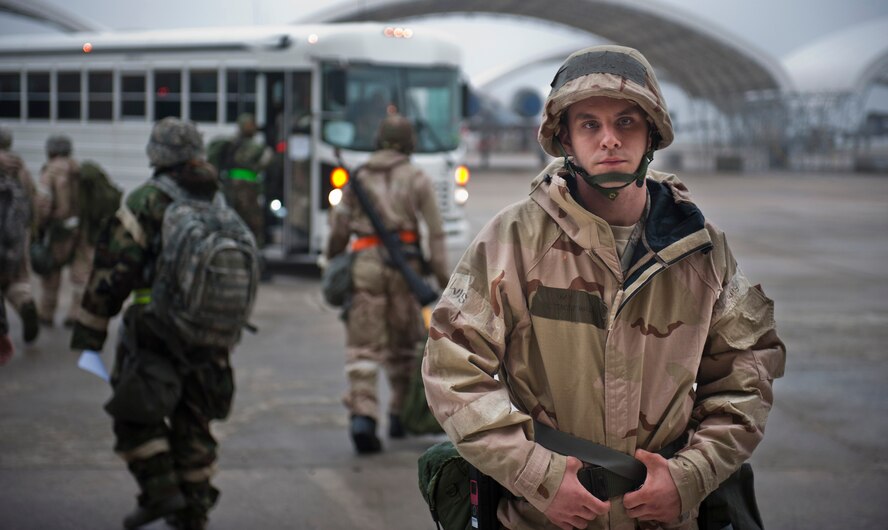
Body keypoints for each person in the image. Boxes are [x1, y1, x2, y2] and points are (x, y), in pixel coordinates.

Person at [422, 45, 786, 530]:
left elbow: (747, 370)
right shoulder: (513, 241)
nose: (610, 139)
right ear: (566, 139)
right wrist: (539, 478)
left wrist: (689, 477)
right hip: (543, 517)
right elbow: (453, 371)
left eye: (627, 122)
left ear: (652, 133)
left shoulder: (700, 248)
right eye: (590, 124)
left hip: (665, 517)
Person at [71, 118, 239, 530]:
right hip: (211, 332)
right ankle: (194, 510)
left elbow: (113, 270)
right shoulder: (217, 200)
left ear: (156, 153)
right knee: (194, 422)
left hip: (156, 329)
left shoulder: (146, 200)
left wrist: (90, 331)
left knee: (133, 412)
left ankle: (161, 489)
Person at [326, 114, 450, 454]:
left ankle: (363, 416)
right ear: (409, 143)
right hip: (405, 267)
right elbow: (436, 236)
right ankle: (397, 413)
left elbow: (339, 227)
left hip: (365, 265)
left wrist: (333, 255)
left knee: (363, 347)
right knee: (404, 343)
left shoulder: (359, 178)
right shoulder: (417, 178)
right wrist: (443, 281)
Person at [34, 134, 89, 327]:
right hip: (82, 229)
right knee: (80, 275)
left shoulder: (50, 170)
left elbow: (42, 203)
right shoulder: (79, 169)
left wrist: (38, 227)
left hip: (59, 230)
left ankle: (46, 314)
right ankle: (75, 314)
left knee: (51, 272)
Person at [208, 113, 272, 248]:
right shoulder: (254, 147)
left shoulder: (230, 144)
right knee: (253, 222)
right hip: (247, 190)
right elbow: (264, 164)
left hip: (230, 187)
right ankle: (253, 250)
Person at [0, 126, 39, 343]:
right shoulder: (19, 167)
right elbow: (32, 201)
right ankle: (25, 303)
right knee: (16, 280)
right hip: (15, 237)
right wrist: (31, 231)